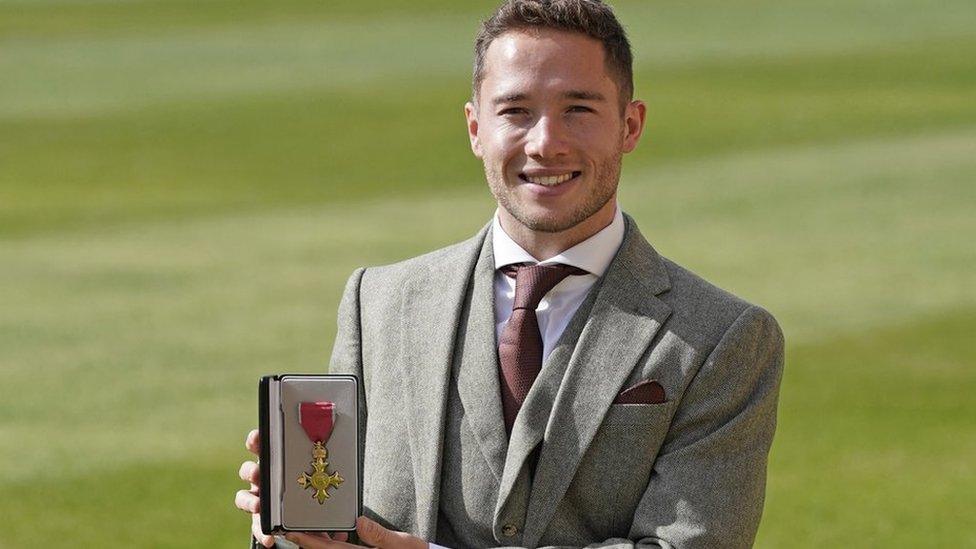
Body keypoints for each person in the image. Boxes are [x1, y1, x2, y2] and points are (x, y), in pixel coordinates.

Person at [236, 1, 785, 547]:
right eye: (516, 111)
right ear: (476, 128)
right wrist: (286, 533)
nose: (545, 143)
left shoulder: (725, 337)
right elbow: (344, 523)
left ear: (630, 125)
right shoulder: (377, 301)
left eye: (578, 110)